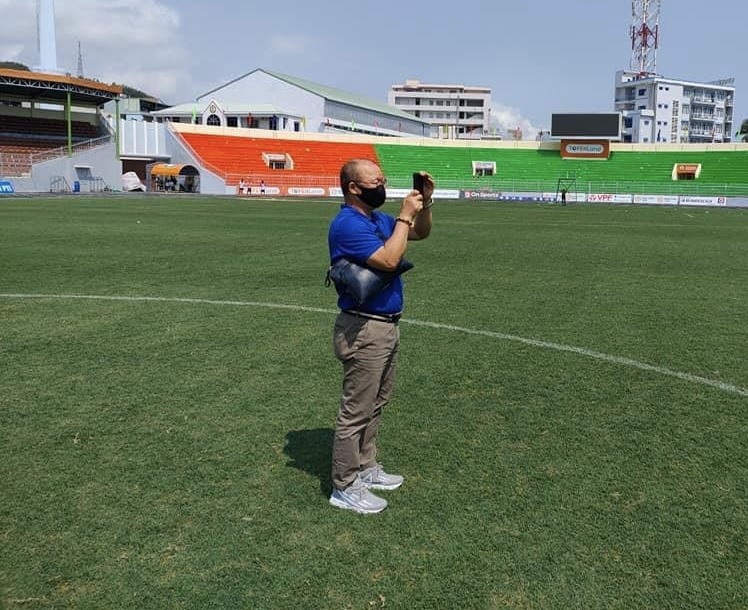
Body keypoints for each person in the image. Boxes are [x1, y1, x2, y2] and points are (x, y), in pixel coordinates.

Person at [327, 158, 434, 514]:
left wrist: (425, 204)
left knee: (376, 402)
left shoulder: (375, 219)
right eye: (375, 181)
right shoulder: (347, 224)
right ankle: (344, 485)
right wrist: (404, 215)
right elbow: (389, 260)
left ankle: (366, 466)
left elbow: (418, 234)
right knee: (356, 409)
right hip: (363, 327)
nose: (382, 186)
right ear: (353, 188)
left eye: (383, 179)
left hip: (385, 325)